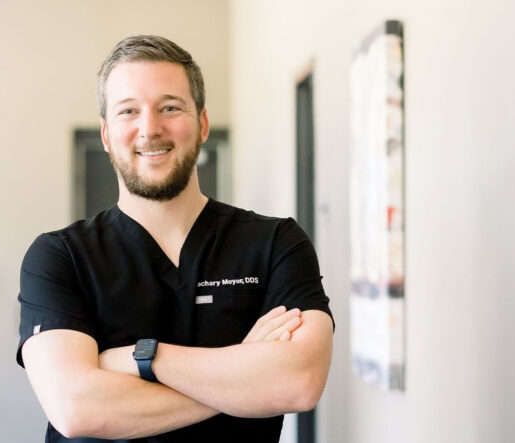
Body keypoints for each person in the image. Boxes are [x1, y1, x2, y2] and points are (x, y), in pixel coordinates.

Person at [17, 35, 335, 442]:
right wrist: (243, 375)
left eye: (169, 107)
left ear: (202, 124)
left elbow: (298, 383)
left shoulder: (275, 243)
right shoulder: (60, 257)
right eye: (128, 111)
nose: (149, 128)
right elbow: (75, 408)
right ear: (106, 135)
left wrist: (143, 358)